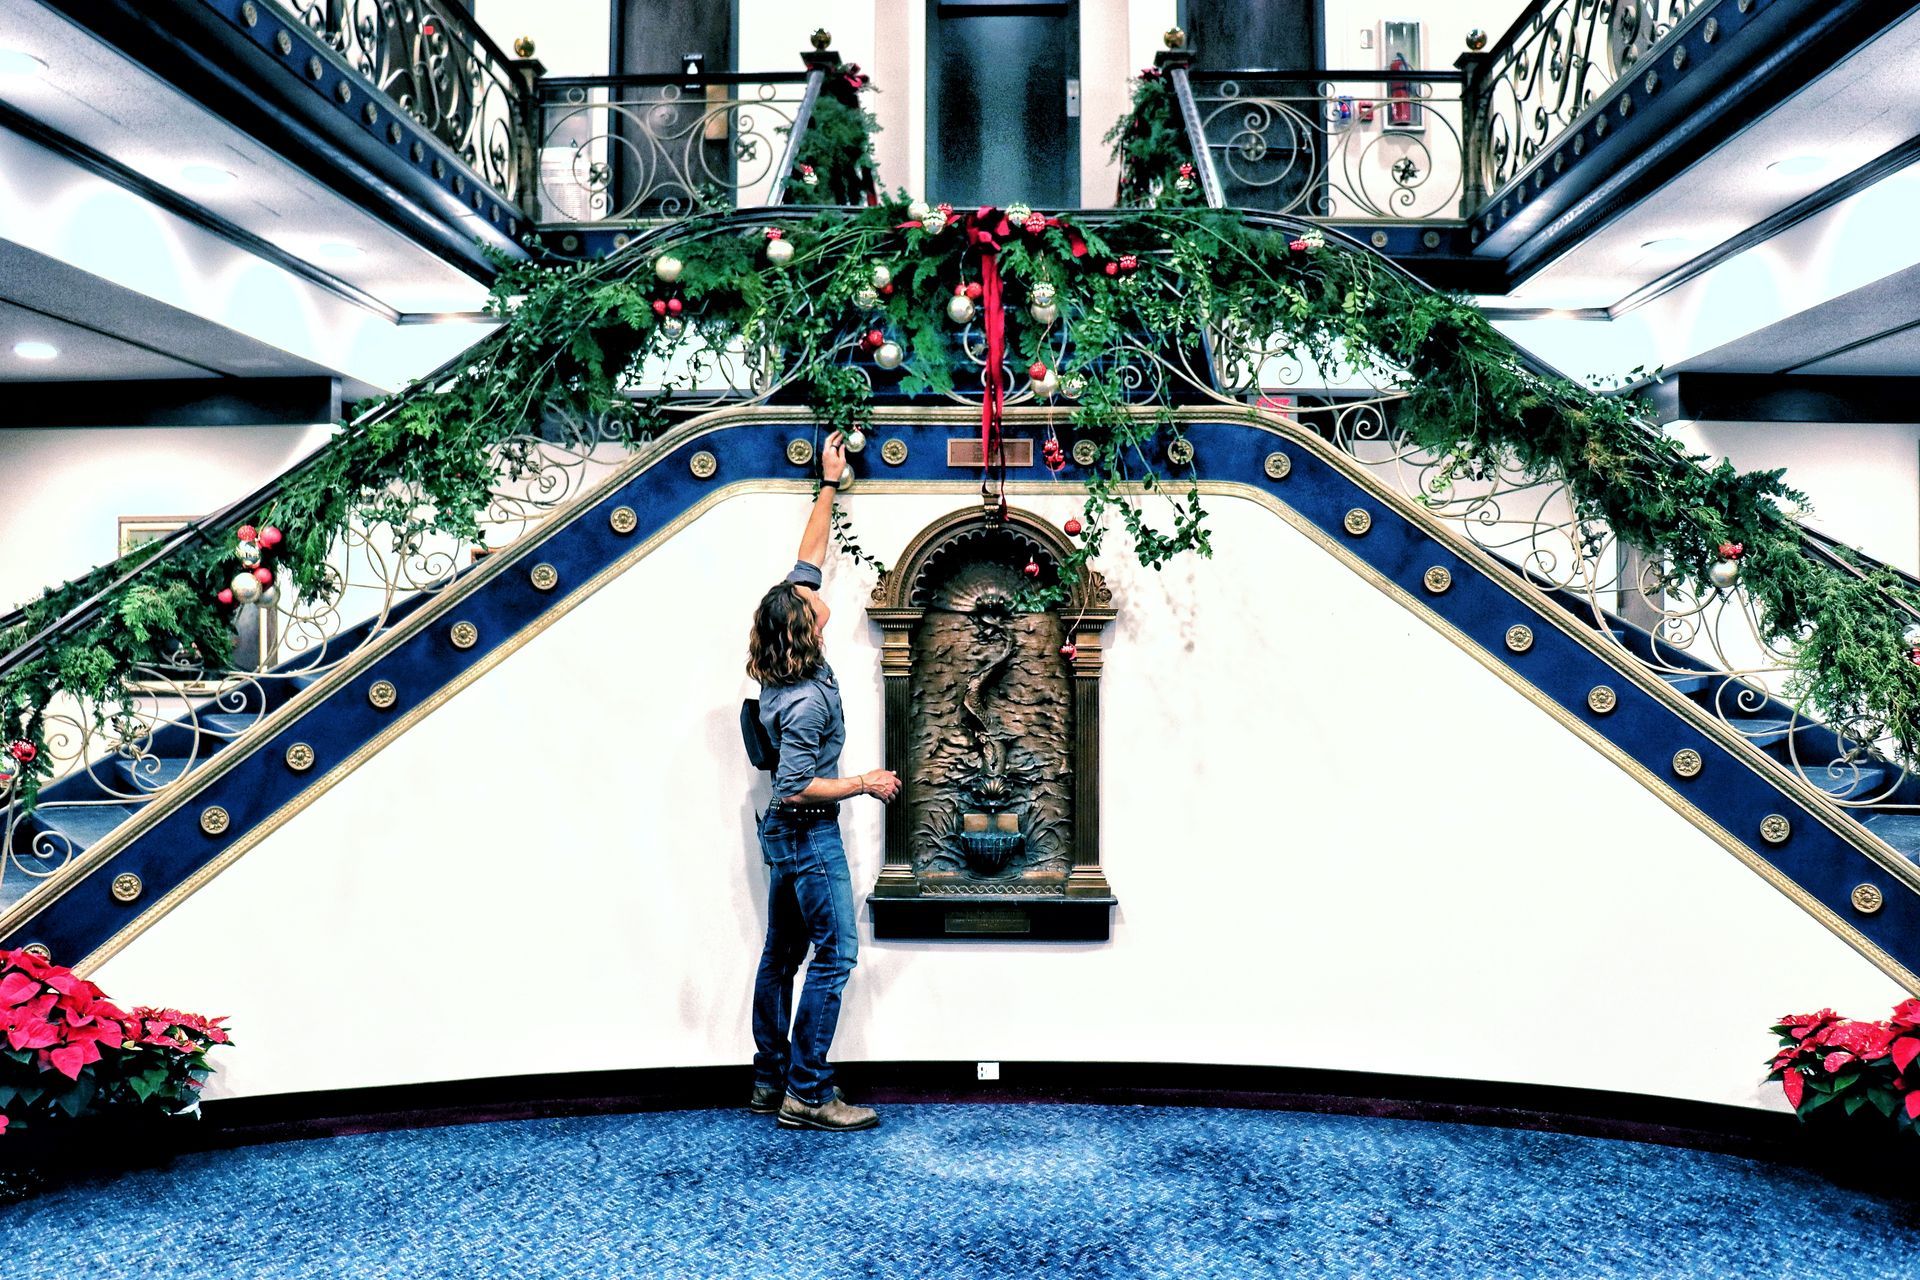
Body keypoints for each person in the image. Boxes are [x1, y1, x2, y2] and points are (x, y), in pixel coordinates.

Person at [745, 432, 901, 1132]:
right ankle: (807, 1091)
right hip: (805, 835)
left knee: (782, 953)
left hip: (784, 842)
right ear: (804, 631)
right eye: (806, 601)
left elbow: (808, 558)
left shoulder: (788, 660)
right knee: (835, 955)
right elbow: (794, 787)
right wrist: (864, 782)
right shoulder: (805, 701)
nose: (812, 593)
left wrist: (829, 483)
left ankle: (768, 1078)